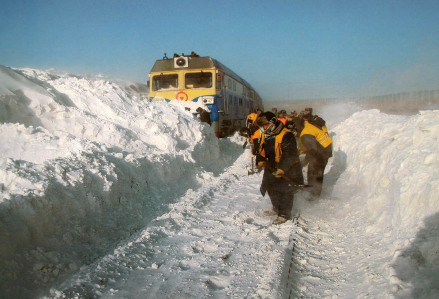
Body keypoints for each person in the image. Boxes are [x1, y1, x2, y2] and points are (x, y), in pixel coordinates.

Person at [256, 112, 304, 224]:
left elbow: (290, 155)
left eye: (266, 125)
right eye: (262, 126)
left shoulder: (287, 135)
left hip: (289, 167)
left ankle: (284, 214)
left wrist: (283, 168)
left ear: (273, 122)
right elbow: (260, 150)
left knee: (285, 190)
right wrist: (260, 160)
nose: (264, 128)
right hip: (272, 166)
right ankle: (276, 208)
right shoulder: (265, 135)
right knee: (271, 188)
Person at [299, 111, 332, 197]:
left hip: (321, 152)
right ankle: (315, 191)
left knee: (314, 172)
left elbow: (312, 150)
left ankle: (314, 194)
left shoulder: (306, 133)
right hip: (325, 149)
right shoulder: (311, 125)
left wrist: (306, 160)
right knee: (317, 172)